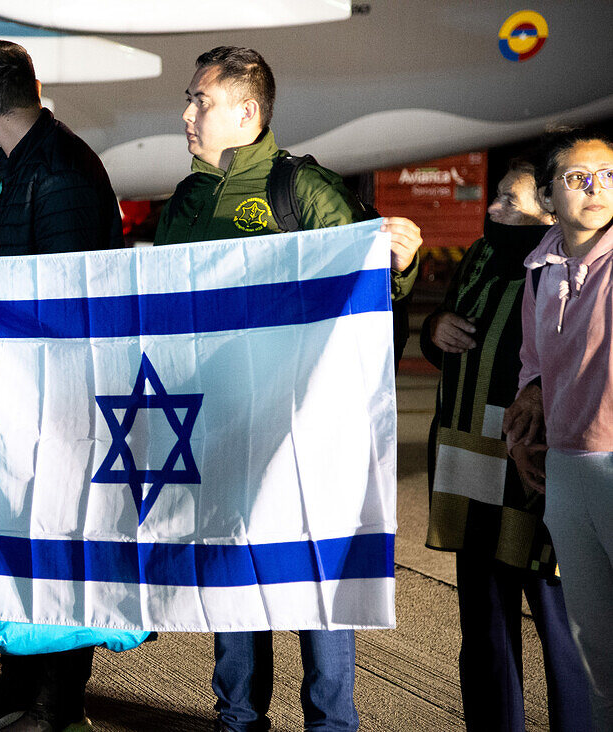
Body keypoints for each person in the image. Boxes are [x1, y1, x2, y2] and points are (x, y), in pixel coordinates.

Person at [153, 47, 421, 732]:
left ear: (246, 111)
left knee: (314, 586)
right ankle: (236, 718)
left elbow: (371, 284)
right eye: (187, 99)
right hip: (217, 429)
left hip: (304, 434)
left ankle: (331, 726)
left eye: (199, 101)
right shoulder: (183, 204)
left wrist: (403, 263)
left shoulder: (301, 188)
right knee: (233, 587)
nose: (185, 114)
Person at [0, 40, 123, 732]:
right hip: (22, 386)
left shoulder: (57, 170)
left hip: (61, 391)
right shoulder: (25, 164)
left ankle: (57, 701)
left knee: (60, 538)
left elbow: (65, 291)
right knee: (17, 532)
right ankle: (18, 685)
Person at [421, 159, 591, 730]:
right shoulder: (477, 256)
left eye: (509, 202)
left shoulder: (561, 265)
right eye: (495, 198)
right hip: (471, 464)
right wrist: (435, 327)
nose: (494, 209)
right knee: (486, 625)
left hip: (535, 467)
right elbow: (449, 326)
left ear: (548, 209)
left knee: (563, 624)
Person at [505, 127, 613, 730]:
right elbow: (535, 365)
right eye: (578, 178)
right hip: (567, 473)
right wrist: (529, 412)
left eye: (608, 176)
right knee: (597, 651)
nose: (596, 188)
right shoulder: (541, 270)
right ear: (549, 196)